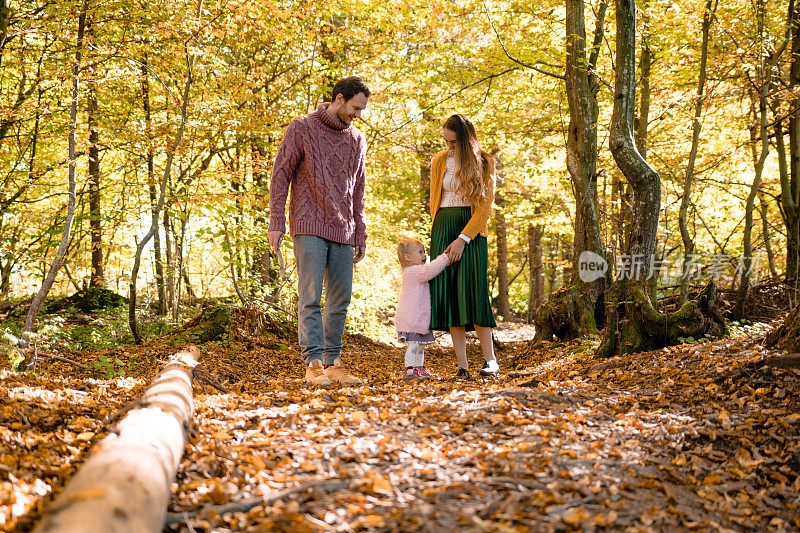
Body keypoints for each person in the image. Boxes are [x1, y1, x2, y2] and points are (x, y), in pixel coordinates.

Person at [268, 76, 370, 386]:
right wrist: (276, 222)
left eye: (362, 109)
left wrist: (360, 232)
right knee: (310, 296)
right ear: (339, 99)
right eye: (355, 107)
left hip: (344, 228)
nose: (358, 114)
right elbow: (280, 174)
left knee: (340, 299)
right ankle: (312, 364)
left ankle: (332, 363)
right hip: (308, 223)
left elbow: (358, 190)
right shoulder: (302, 127)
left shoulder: (357, 140)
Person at [428, 113, 499, 379]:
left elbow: (485, 208)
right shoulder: (438, 161)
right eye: (447, 141)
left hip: (472, 232)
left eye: (455, 142)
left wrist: (463, 238)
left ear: (466, 139)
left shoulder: (484, 162)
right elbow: (436, 199)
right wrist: (442, 235)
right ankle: (462, 366)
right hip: (443, 228)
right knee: (450, 296)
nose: (450, 146)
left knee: (473, 293)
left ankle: (490, 360)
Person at [395, 238, 450, 381]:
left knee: (420, 347)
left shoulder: (414, 271)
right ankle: (409, 370)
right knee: (413, 345)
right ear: (407, 257)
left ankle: (418, 367)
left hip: (417, 318)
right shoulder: (413, 272)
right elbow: (431, 270)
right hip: (411, 318)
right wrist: (445, 257)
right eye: (420, 252)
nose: (424, 255)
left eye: (424, 252)